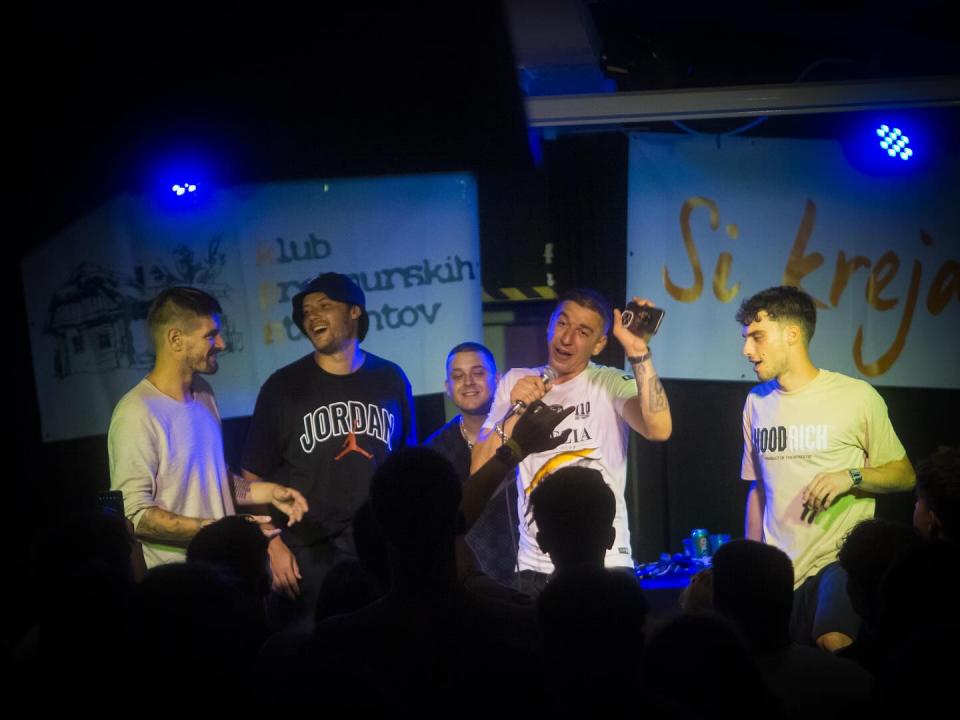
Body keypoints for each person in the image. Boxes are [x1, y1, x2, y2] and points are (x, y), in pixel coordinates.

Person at [737, 285, 915, 651]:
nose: (747, 351)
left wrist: (850, 476)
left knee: (833, 641)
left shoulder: (856, 396)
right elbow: (757, 490)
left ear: (792, 334)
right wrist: (752, 564)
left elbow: (905, 475)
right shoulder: (756, 402)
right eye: (746, 339)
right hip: (780, 569)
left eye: (757, 337)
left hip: (836, 561)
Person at [472, 288, 672, 595]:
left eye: (582, 332)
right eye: (562, 323)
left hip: (606, 563)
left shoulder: (609, 382)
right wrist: (516, 411)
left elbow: (659, 429)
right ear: (550, 325)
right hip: (536, 568)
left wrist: (638, 351)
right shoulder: (515, 381)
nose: (566, 338)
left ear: (599, 344)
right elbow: (479, 471)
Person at [241, 272, 415, 622]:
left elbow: (406, 466)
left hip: (377, 549)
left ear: (354, 311)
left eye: (324, 306)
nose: (312, 317)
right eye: (306, 312)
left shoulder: (390, 377)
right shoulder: (282, 387)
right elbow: (251, 475)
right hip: (308, 555)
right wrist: (271, 543)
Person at [108, 287, 307, 568]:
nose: (221, 343)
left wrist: (269, 492)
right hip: (183, 581)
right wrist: (219, 531)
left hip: (228, 570)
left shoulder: (204, 393)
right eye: (210, 335)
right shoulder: (136, 412)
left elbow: (215, 481)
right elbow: (136, 516)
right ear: (176, 339)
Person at [425, 342, 517, 585]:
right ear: (447, 387)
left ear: (497, 379)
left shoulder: (522, 432)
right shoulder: (434, 451)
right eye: (458, 376)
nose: (468, 382)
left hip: (530, 573)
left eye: (478, 373)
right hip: (469, 583)